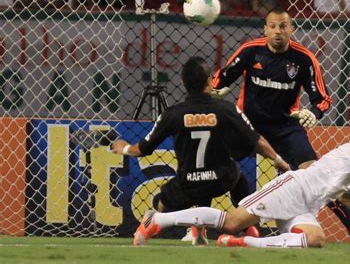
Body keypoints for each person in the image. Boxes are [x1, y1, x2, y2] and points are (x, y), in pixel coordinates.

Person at [132, 109, 350, 248]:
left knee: (316, 239)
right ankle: (157, 221)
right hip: (293, 188)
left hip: (306, 205)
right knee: (234, 221)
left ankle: (244, 244)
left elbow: (348, 199)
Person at [211, 9, 350, 244]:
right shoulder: (250, 51)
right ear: (265, 29)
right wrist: (217, 89)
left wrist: (314, 112)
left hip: (285, 126)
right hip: (249, 124)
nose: (278, 31)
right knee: (218, 164)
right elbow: (221, 78)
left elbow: (323, 98)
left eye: (283, 26)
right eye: (273, 26)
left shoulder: (304, 58)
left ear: (291, 29)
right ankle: (197, 228)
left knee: (315, 173)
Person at [111, 56, 290, 246]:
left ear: (183, 83)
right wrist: (278, 159)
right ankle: (244, 227)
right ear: (210, 80)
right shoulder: (226, 109)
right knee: (237, 176)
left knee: (160, 203)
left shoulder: (173, 114)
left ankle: (155, 221)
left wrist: (125, 148)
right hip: (221, 179)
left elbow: (143, 149)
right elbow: (256, 141)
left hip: (188, 185)